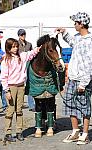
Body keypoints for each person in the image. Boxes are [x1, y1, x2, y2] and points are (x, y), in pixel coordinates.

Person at [55, 12, 92, 145]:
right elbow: (71, 41)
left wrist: (84, 83)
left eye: (75, 23)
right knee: (70, 105)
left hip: (82, 80)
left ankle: (85, 134)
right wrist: (64, 32)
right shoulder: (77, 38)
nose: (74, 25)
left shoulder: (89, 41)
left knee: (84, 107)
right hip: (72, 78)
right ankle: (75, 131)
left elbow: (89, 63)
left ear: (81, 24)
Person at [0, 38, 41, 142]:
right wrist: (6, 91)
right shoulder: (5, 60)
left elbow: (31, 53)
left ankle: (19, 131)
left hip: (21, 86)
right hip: (11, 86)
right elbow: (3, 77)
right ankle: (7, 133)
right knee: (10, 110)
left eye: (16, 46)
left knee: (19, 110)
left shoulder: (21, 56)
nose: (15, 48)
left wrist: (40, 48)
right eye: (13, 47)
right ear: (8, 48)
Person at [17, 28, 35, 111]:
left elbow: (32, 54)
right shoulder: (16, 44)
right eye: (21, 34)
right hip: (18, 66)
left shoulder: (29, 44)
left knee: (29, 84)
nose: (23, 36)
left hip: (28, 65)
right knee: (18, 85)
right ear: (19, 35)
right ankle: (18, 104)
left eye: (24, 34)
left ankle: (31, 105)